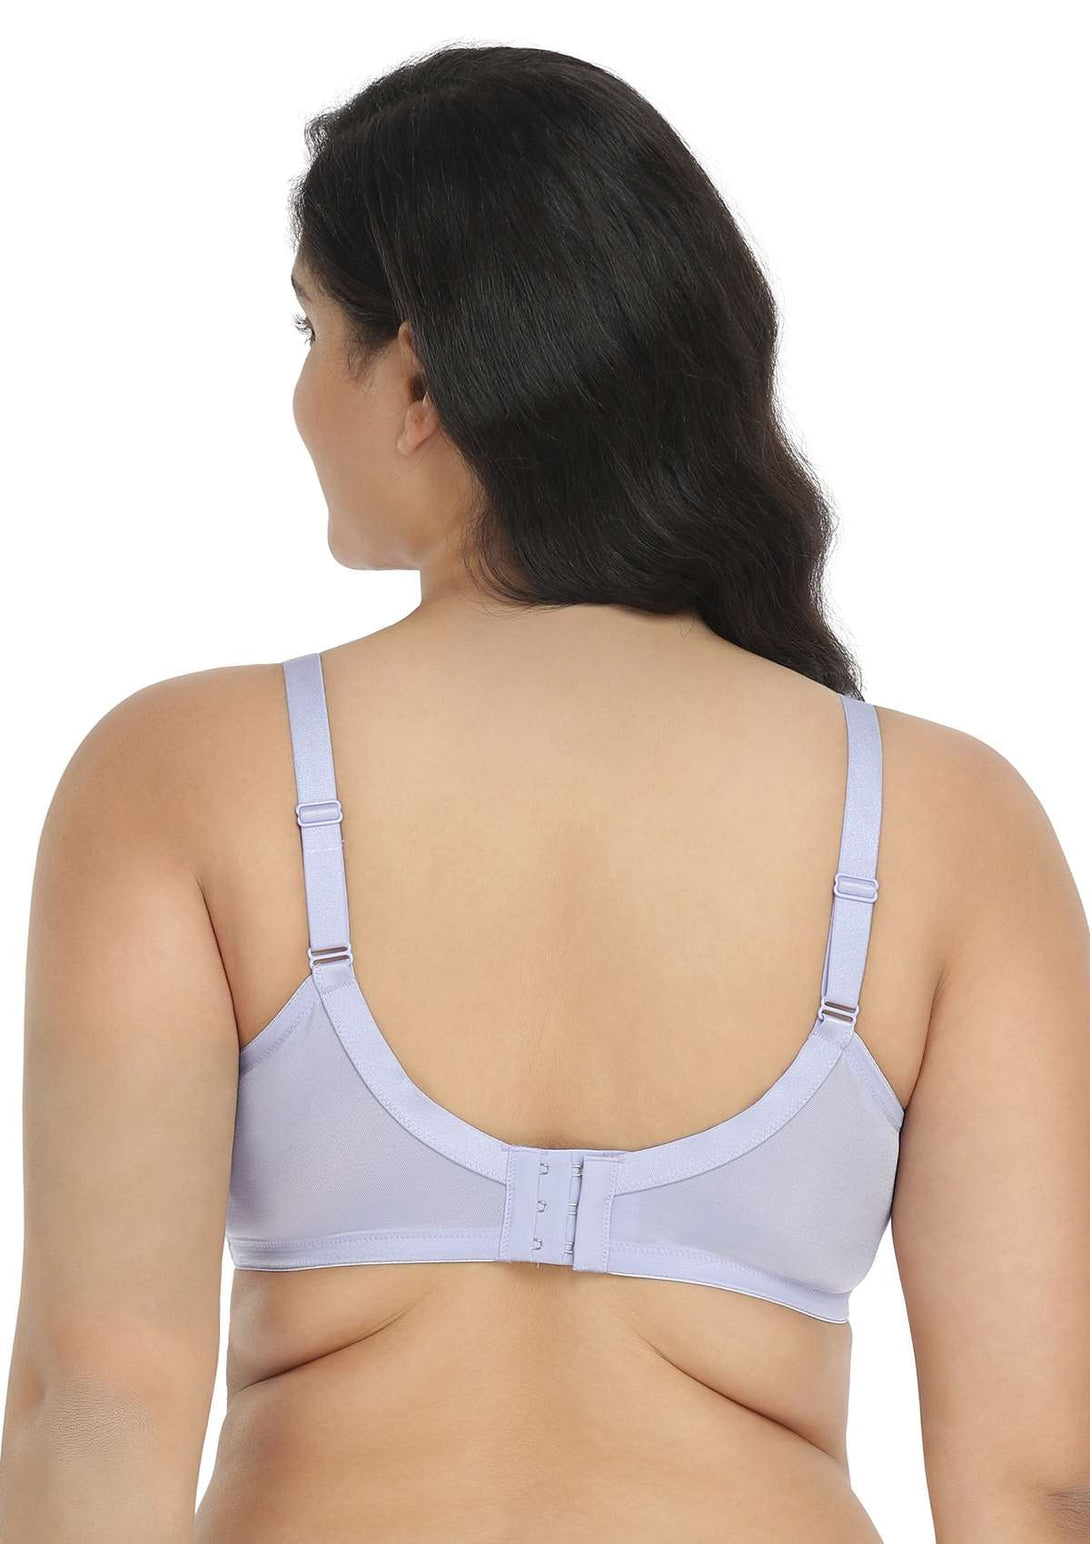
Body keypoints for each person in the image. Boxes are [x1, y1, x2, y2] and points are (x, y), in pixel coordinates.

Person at [2, 41, 1088, 1544]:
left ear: (417, 383)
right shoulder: (947, 822)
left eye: (313, 331)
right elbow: (1036, 1482)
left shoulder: (181, 777)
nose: (301, 394)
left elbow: (98, 1402)